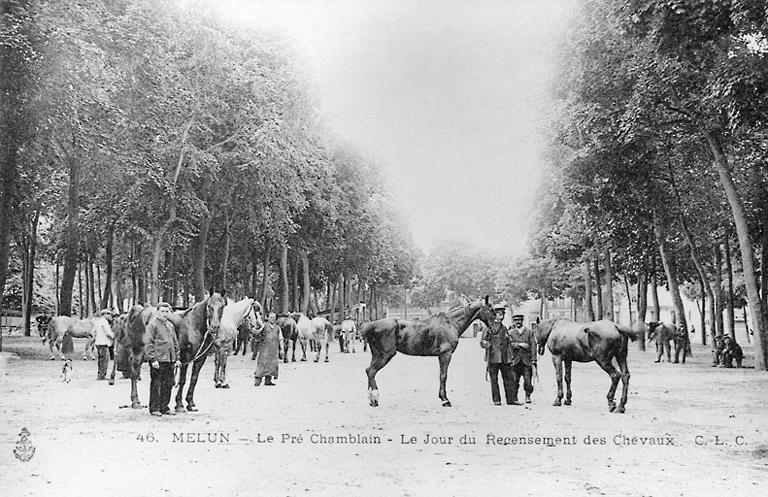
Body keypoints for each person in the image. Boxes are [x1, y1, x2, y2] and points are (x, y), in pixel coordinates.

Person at [145, 302, 180, 416]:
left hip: (169, 359)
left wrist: (177, 358)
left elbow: (175, 343)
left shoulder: (170, 325)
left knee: (168, 384)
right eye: (162, 311)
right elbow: (148, 343)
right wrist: (153, 359)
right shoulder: (152, 325)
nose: (165, 314)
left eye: (167, 311)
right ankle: (154, 408)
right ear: (158, 312)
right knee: (156, 384)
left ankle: (164, 407)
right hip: (158, 360)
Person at [480, 305, 514, 406]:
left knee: (508, 379)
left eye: (503, 314)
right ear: (494, 315)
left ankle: (510, 400)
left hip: (504, 357)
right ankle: (496, 400)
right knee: (494, 380)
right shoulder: (488, 328)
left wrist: (510, 356)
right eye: (500, 314)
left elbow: (508, 343)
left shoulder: (504, 328)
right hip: (492, 358)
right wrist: (485, 343)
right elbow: (482, 341)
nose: (502, 316)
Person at [507, 314, 537, 404]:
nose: (518, 322)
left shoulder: (529, 332)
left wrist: (534, 359)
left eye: (520, 320)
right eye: (516, 320)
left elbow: (533, 345)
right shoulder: (511, 333)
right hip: (515, 360)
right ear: (514, 322)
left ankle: (528, 396)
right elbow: (508, 345)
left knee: (528, 380)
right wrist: (520, 345)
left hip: (526, 361)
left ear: (522, 321)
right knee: (514, 380)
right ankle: (514, 397)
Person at [254, 312, 280, 386]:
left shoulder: (277, 327)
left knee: (272, 364)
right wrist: (254, 330)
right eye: (271, 317)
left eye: (274, 317)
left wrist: (281, 349)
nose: (273, 319)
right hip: (264, 348)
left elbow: (280, 338)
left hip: (274, 349)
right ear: (268, 318)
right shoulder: (264, 325)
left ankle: (268, 380)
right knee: (262, 363)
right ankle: (258, 379)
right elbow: (258, 332)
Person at [93, 309, 115, 380]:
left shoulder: (97, 322)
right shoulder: (105, 322)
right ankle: (102, 375)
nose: (109, 316)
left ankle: (99, 374)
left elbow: (93, 332)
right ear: (105, 314)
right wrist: (114, 337)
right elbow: (108, 333)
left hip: (98, 342)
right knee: (104, 360)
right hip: (104, 342)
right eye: (108, 314)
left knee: (100, 359)